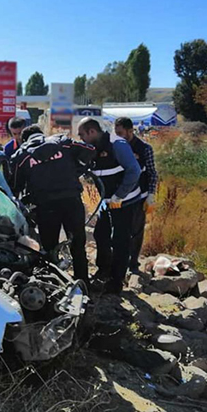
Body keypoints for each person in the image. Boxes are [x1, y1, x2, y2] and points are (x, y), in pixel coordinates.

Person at [10, 125, 96, 285]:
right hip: (72, 201)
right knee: (78, 245)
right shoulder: (63, 142)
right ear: (42, 135)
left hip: (45, 206)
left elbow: (14, 187)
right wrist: (77, 168)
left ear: (24, 139)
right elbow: (89, 149)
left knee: (49, 248)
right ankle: (83, 284)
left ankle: (55, 285)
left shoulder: (21, 156)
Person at [77, 117, 141, 294]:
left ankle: (116, 281)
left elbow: (134, 171)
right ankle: (103, 270)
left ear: (92, 132)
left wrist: (119, 196)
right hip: (107, 201)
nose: (81, 139)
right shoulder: (94, 148)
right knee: (101, 234)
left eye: (83, 135)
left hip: (124, 200)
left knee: (120, 239)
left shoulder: (117, 144)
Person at [114, 117, 158, 272]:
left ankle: (133, 263)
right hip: (120, 196)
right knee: (120, 231)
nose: (118, 136)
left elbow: (152, 173)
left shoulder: (144, 148)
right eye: (116, 133)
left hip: (140, 196)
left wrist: (151, 194)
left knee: (136, 231)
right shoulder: (116, 147)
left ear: (130, 131)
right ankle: (120, 262)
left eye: (121, 133)